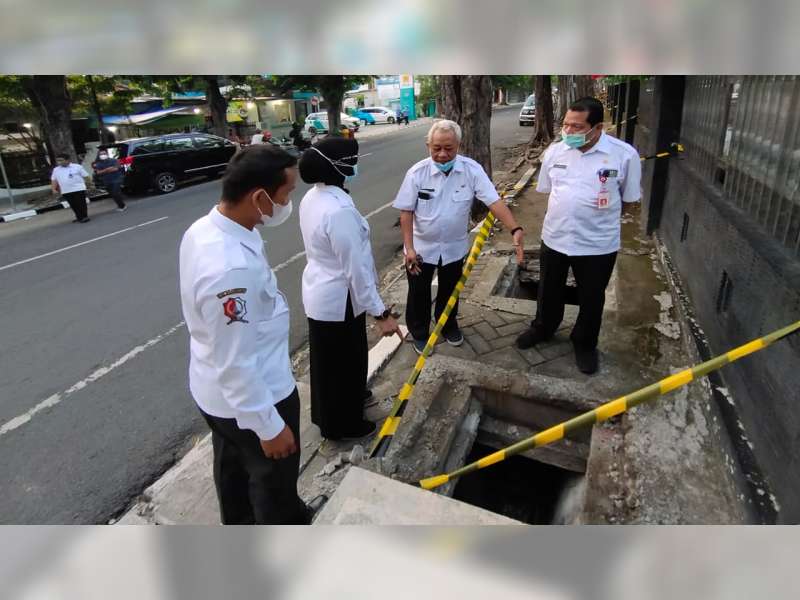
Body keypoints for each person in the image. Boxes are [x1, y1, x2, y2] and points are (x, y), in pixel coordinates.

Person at [179, 145, 320, 524]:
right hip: (257, 396)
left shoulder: (205, 229)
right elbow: (237, 363)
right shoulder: (230, 271)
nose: (289, 201)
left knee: (233, 473)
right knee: (273, 483)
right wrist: (269, 426)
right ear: (259, 196)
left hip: (216, 396)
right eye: (287, 193)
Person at [515, 97, 642, 374]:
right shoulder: (555, 152)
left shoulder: (624, 155)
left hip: (598, 243)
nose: (568, 132)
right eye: (566, 125)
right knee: (548, 290)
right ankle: (543, 328)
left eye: (576, 127)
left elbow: (630, 201)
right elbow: (548, 191)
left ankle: (584, 343)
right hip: (555, 237)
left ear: (598, 128)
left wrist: (597, 219)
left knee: (592, 297)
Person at [298, 137, 402, 441]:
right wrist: (381, 313)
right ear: (339, 166)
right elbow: (355, 270)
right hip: (338, 298)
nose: (356, 164)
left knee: (335, 361)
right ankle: (342, 426)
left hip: (323, 290)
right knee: (340, 365)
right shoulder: (337, 210)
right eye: (352, 159)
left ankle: (352, 400)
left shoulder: (316, 197)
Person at [392, 120, 525, 354]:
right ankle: (420, 332)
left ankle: (448, 326)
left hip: (454, 247)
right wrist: (409, 248)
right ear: (428, 146)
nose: (442, 154)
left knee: (450, 290)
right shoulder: (417, 173)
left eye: (449, 148)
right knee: (418, 293)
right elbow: (406, 212)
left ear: (458, 146)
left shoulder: (471, 170)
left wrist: (515, 228)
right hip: (421, 248)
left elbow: (493, 201)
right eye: (437, 148)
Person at [51, 153, 93, 223]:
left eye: (61, 160)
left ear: (67, 160)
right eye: (58, 161)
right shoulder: (56, 169)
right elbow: (54, 180)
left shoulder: (77, 167)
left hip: (78, 188)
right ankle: (79, 216)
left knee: (81, 203)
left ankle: (84, 216)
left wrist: (90, 185)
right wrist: (53, 189)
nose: (59, 162)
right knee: (73, 205)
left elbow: (86, 176)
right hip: (66, 190)